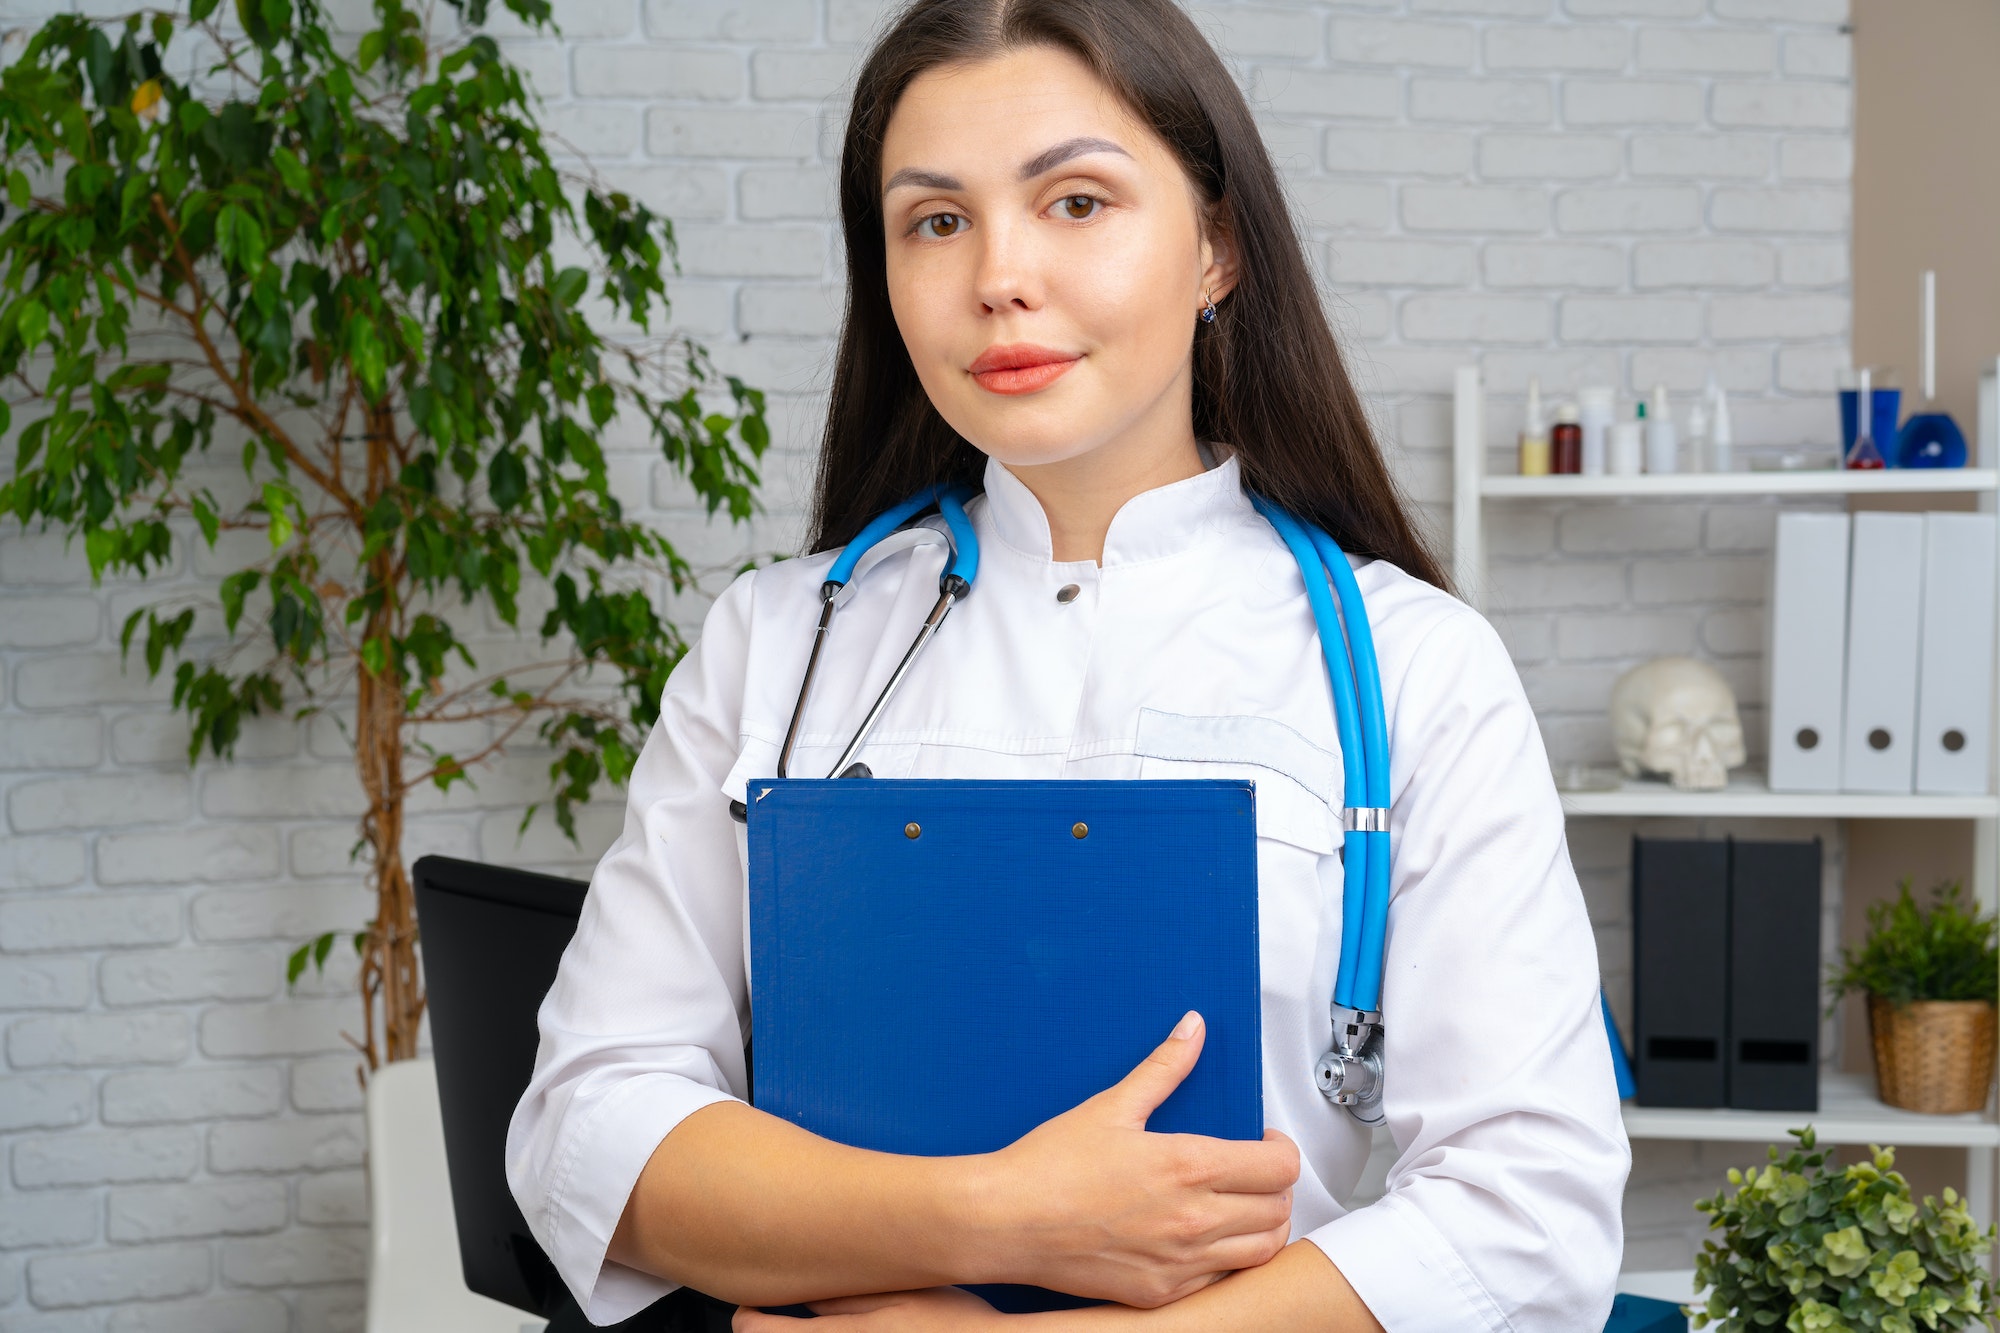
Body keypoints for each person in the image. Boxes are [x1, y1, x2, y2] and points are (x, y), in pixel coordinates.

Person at [506, 0, 1631, 1328]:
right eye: (936, 220)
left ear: (1217, 247)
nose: (999, 275)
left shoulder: (1413, 666)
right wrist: (1005, 1213)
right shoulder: (778, 639)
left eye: (1077, 202)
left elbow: (1530, 1209)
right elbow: (587, 1131)